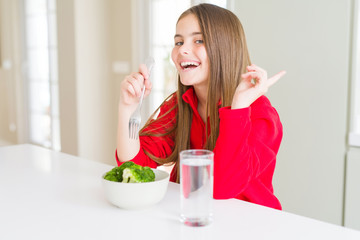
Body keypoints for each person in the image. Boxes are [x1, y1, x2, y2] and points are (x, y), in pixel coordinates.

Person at [116, 3, 286, 210]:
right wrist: (127, 107)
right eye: (178, 42)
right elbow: (134, 166)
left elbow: (221, 189)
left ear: (225, 49)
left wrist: (238, 108)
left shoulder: (261, 116)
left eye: (199, 40)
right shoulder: (180, 105)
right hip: (193, 216)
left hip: (249, 225)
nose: (183, 49)